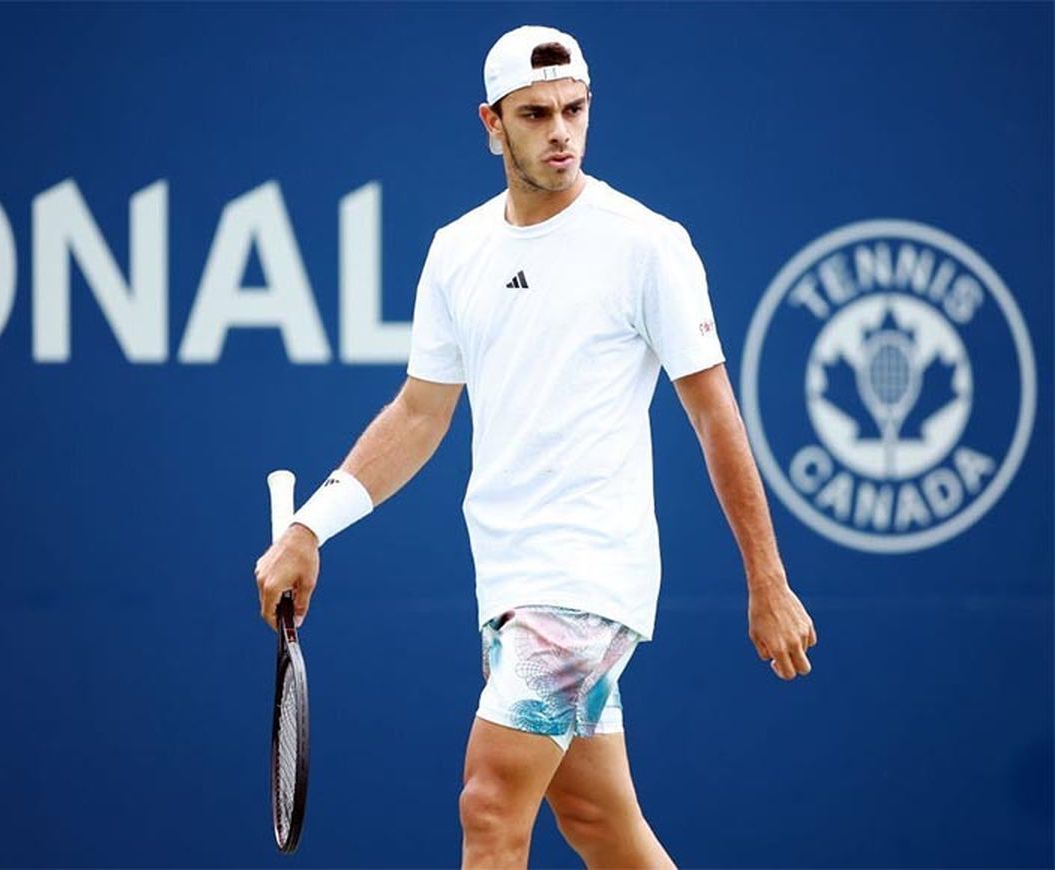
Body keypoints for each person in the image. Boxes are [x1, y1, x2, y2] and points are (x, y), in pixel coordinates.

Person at [255, 24, 817, 869]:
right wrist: (308, 529)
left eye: (575, 110)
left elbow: (714, 417)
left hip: (588, 578)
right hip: (510, 577)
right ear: (492, 124)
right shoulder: (457, 251)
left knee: (489, 804)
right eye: (536, 114)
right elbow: (418, 415)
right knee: (598, 822)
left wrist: (766, 582)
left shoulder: (647, 244)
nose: (561, 131)